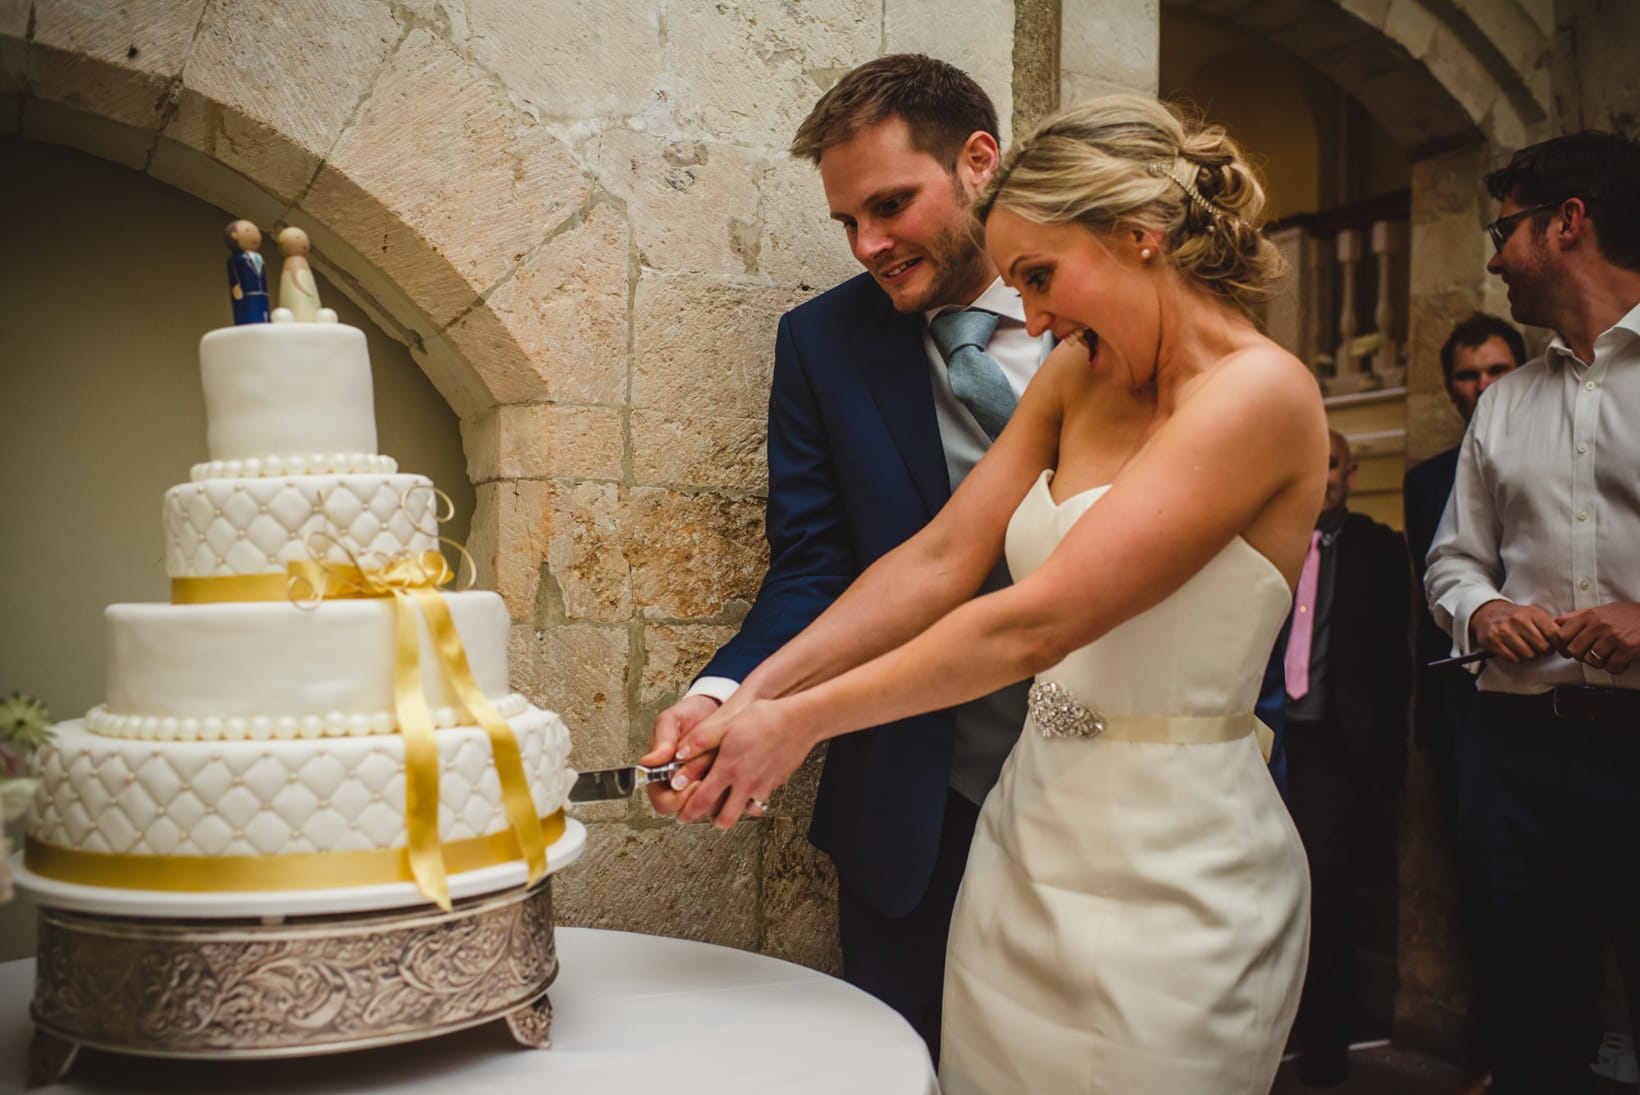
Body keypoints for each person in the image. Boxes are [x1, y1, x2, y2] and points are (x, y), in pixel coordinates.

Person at [666, 95, 1319, 1093]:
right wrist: (749, 696)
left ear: (1138, 237)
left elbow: (1039, 619)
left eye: (1041, 278)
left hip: (1177, 871)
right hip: (1022, 844)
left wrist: (797, 723)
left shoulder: (1258, 396)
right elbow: (936, 561)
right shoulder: (1072, 376)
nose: (1036, 316)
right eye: (1018, 284)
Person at [642, 55, 1061, 1059]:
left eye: (889, 205)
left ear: (975, 161)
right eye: (845, 222)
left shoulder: (1099, 320)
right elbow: (816, 566)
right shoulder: (821, 343)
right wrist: (727, 693)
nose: (867, 243)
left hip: (1103, 792)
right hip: (915, 804)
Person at [1425, 129, 1640, 1095]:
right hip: (1513, 752)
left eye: (1504, 228)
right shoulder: (1504, 404)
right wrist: (1482, 612)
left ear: (1568, 222)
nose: (1492, 254)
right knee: (1532, 1022)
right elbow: (1452, 561)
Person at [1282, 429, 1411, 1087]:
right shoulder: (1261, 541)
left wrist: (1383, 756)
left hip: (1332, 748)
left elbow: (1395, 660)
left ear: (1350, 472)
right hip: (1261, 740)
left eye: (1329, 462)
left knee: (1324, 896)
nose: (1320, 474)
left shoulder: (1380, 550)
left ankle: (1324, 1046)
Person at [1404, 313, 1524, 834]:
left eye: (1498, 370)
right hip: (1459, 701)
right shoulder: (1426, 480)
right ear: (1450, 387)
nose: (1483, 386)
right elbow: (1428, 589)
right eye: (1468, 375)